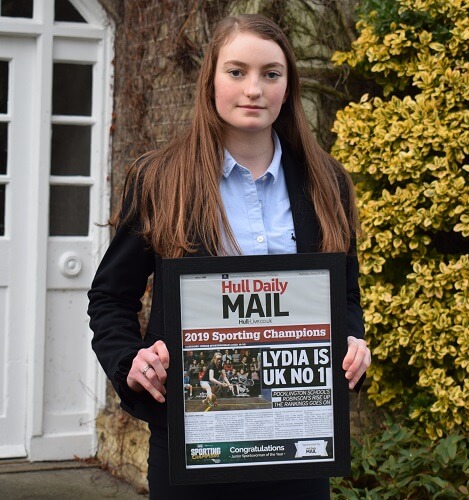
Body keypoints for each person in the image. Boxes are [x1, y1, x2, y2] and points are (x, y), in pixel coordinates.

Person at [88, 13, 371, 500]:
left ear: (288, 86)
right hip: (194, 439)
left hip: (297, 439)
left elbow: (343, 294)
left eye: (271, 74)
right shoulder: (160, 179)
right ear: (211, 80)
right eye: (237, 71)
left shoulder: (328, 182)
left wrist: (353, 342)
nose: (253, 89)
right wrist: (129, 359)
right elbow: (111, 298)